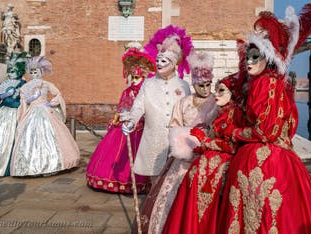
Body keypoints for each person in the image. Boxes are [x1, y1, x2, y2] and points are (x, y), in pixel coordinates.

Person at [218, 4, 311, 233]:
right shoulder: (276, 84)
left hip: (264, 161)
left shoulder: (266, 83)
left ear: (269, 59)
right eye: (248, 58)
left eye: (256, 57)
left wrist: (233, 132)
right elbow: (289, 127)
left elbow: (266, 132)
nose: (249, 62)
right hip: (285, 158)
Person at [135, 50, 218, 233]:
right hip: (184, 155)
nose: (205, 89)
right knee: (172, 192)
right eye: (200, 85)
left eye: (207, 85)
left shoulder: (216, 101)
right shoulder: (184, 102)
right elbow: (175, 124)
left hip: (208, 154)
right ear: (194, 84)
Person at [162, 72, 246, 234]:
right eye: (216, 89)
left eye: (220, 90)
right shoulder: (220, 111)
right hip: (196, 155)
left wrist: (205, 142)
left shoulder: (232, 114)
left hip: (217, 164)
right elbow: (175, 124)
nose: (214, 92)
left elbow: (232, 145)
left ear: (232, 93)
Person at [121, 25, 193, 182]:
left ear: (174, 64)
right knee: (154, 184)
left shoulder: (183, 86)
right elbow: (138, 106)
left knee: (174, 183)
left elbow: (188, 113)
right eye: (158, 61)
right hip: (153, 140)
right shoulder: (148, 84)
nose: (159, 64)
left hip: (176, 143)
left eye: (164, 61)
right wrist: (132, 121)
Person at [86, 47, 156, 193]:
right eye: (133, 78)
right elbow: (122, 107)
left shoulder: (148, 90)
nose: (135, 81)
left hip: (142, 128)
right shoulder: (127, 91)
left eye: (138, 77)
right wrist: (117, 119)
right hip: (125, 125)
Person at [10, 56, 80, 176]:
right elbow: (24, 101)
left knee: (51, 136)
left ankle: (51, 164)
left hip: (45, 110)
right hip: (32, 112)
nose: (33, 74)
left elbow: (57, 94)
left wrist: (51, 103)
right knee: (30, 138)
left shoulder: (46, 84)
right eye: (31, 72)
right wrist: (32, 99)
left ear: (41, 71)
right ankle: (31, 166)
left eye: (35, 71)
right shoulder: (25, 87)